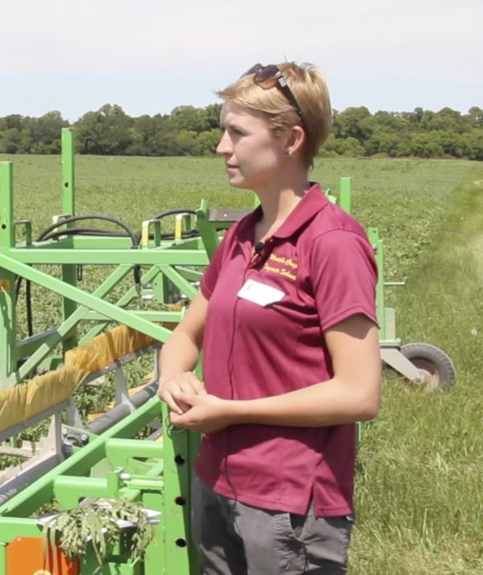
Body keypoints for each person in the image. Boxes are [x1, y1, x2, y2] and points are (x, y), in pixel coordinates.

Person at [157, 62, 381, 574]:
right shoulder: (242, 234)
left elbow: (359, 394)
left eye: (237, 132)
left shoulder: (333, 243)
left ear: (291, 140)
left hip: (287, 503)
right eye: (223, 130)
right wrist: (174, 375)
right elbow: (186, 335)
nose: (221, 147)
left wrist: (230, 411)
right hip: (217, 482)